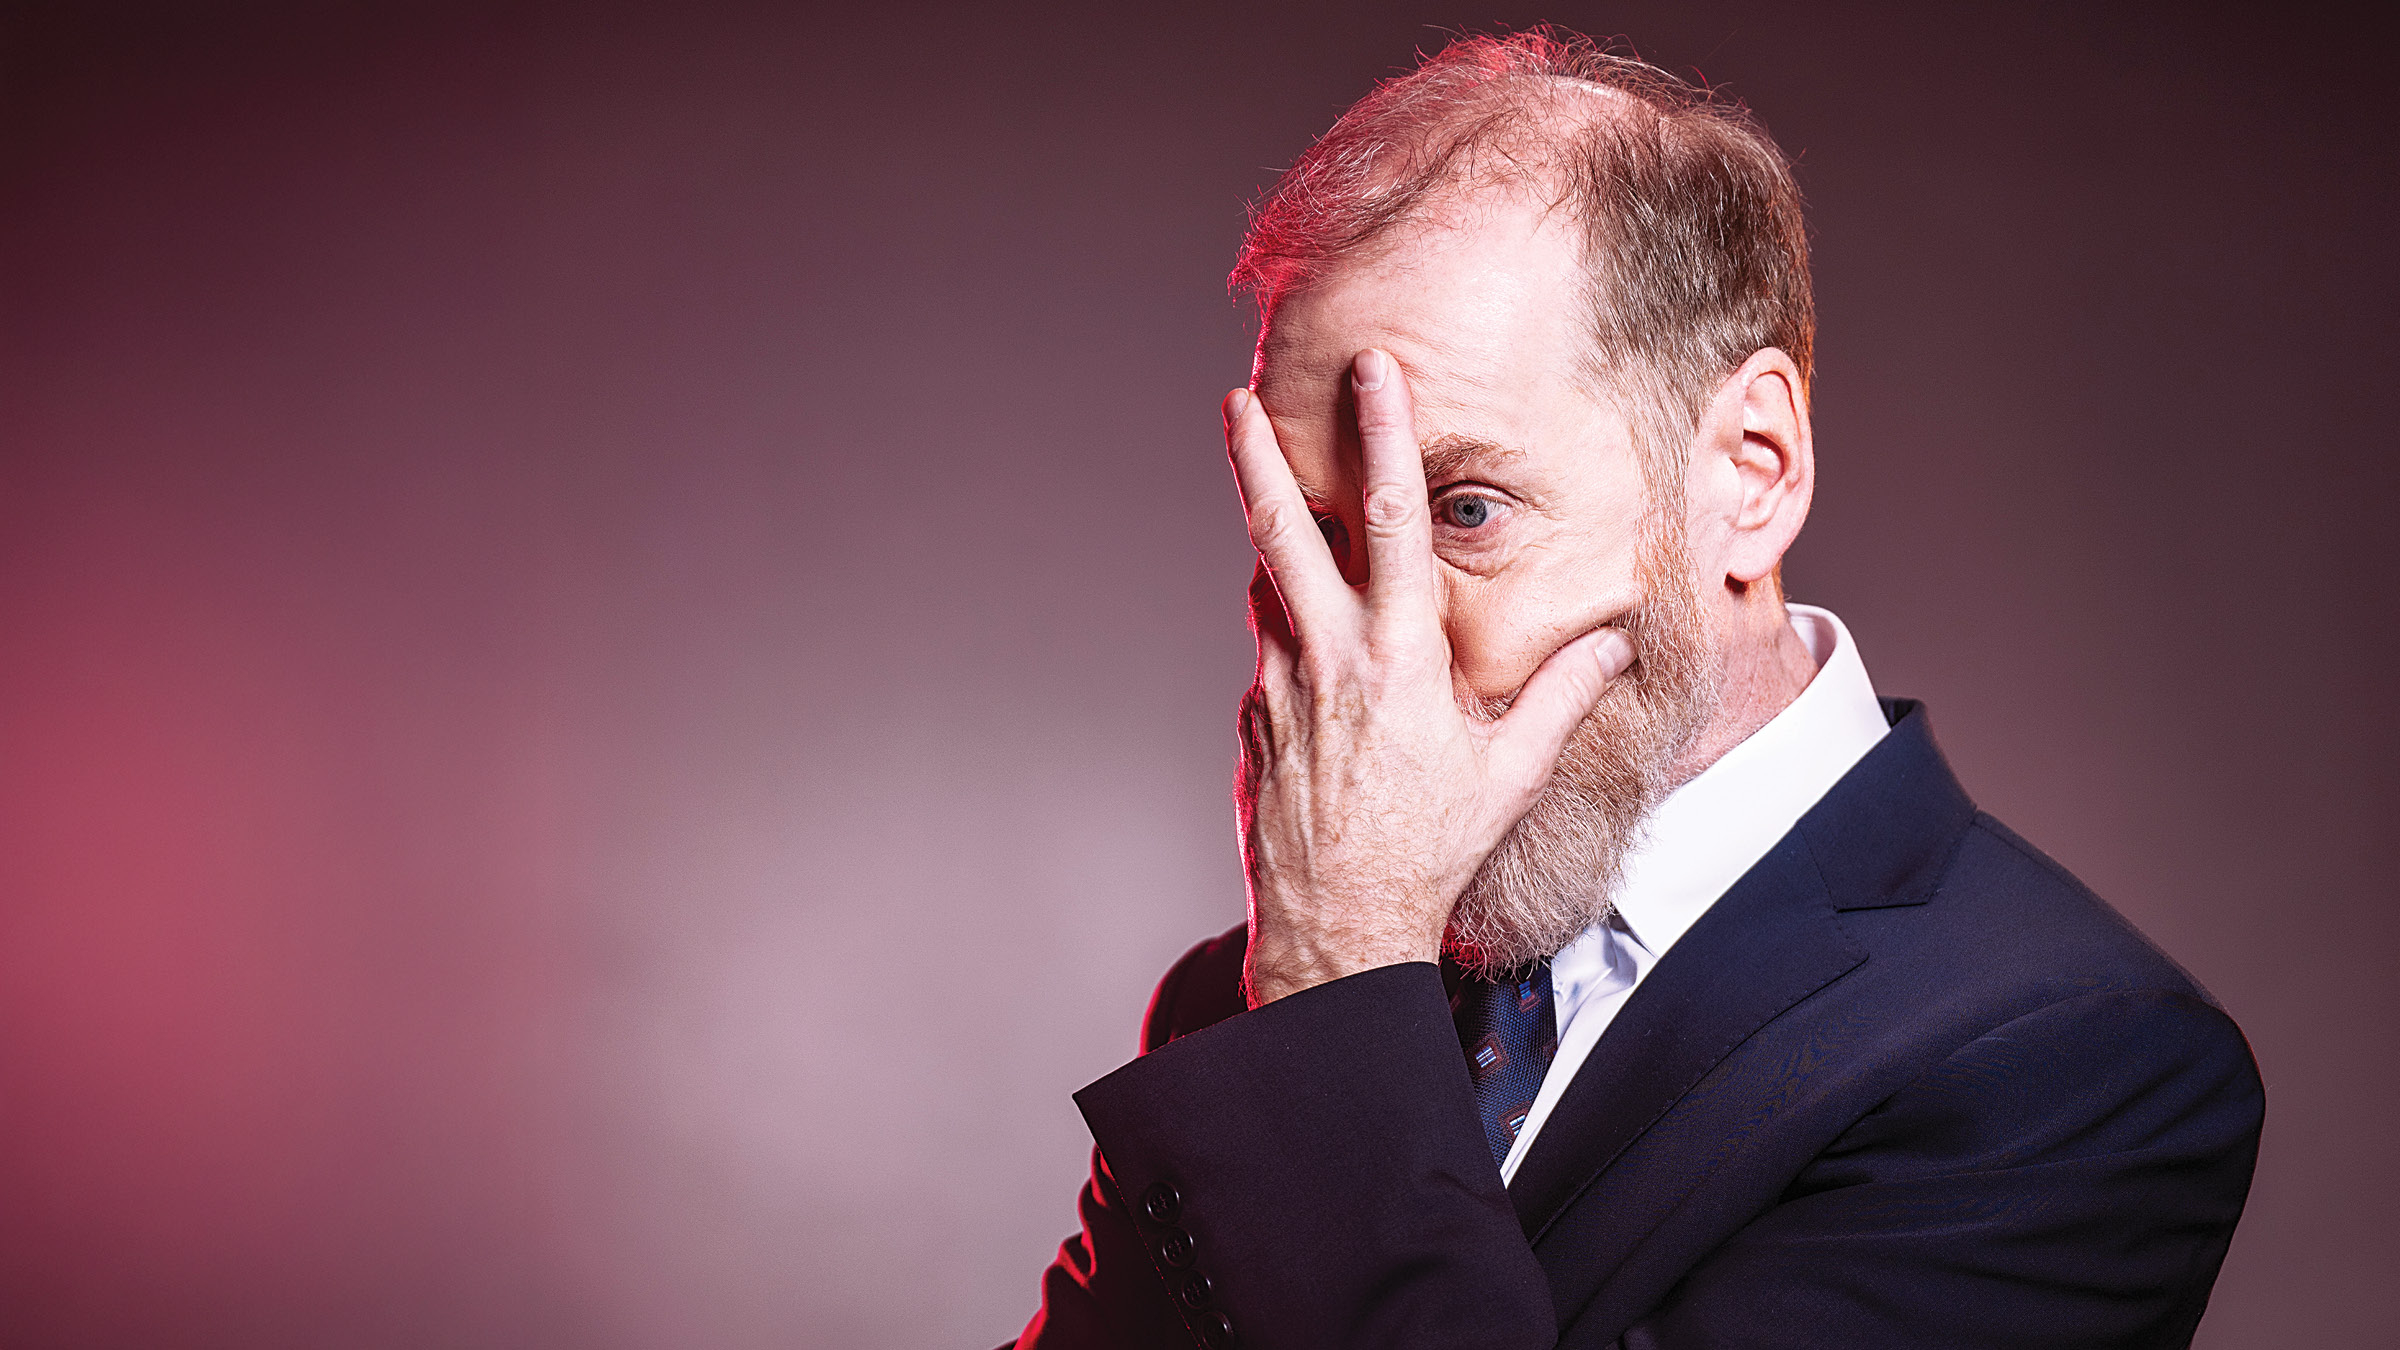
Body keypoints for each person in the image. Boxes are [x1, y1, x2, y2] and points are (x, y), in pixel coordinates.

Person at [1010, 29, 2261, 1350]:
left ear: (1752, 468)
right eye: (1321, 539)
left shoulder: (2069, 1065)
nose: (1380, 646)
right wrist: (1323, 991)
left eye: (1466, 508)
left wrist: (1335, 989)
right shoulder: (1262, 1000)